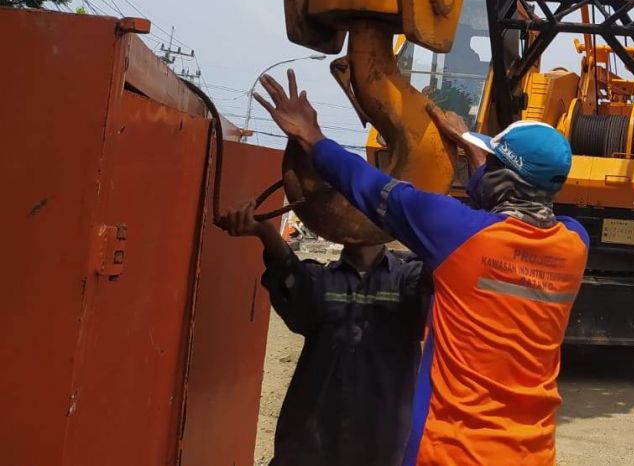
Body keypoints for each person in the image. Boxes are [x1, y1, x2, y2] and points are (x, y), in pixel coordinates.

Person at [253, 69, 589, 466]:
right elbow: (506, 199)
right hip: (531, 453)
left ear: (504, 179)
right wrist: (476, 153)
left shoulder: (457, 235)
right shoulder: (573, 243)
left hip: (452, 453)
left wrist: (312, 136)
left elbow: (368, 185)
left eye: (494, 166)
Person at [215, 200, 427, 466]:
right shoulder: (321, 281)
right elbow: (294, 282)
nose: (358, 214)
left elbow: (436, 282)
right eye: (350, 206)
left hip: (381, 449)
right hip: (311, 446)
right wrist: (266, 234)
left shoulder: (408, 280)